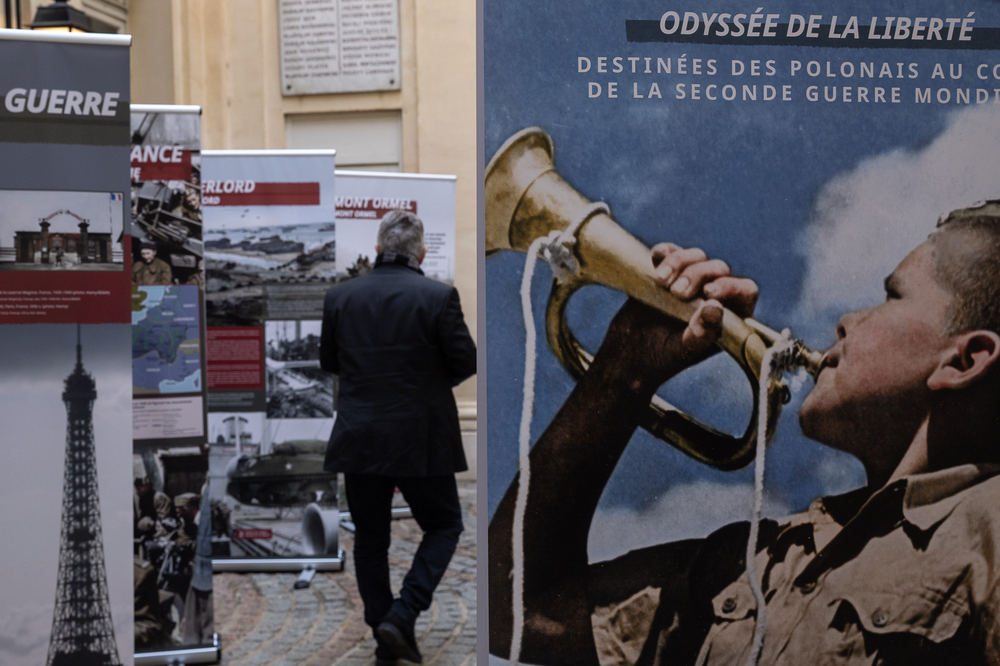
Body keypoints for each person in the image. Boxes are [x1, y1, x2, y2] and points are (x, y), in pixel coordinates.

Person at [488, 202, 1000, 665]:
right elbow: (511, 611)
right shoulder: (753, 560)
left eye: (891, 296)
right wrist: (626, 367)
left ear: (965, 359)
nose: (847, 321)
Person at [321, 209, 477, 665]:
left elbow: (329, 362)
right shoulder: (439, 296)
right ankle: (402, 615)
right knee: (444, 525)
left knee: (371, 541)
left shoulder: (340, 297)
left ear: (377, 249)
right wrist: (425, 384)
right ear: (422, 254)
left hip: (360, 436)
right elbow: (465, 361)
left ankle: (385, 632)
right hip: (421, 437)